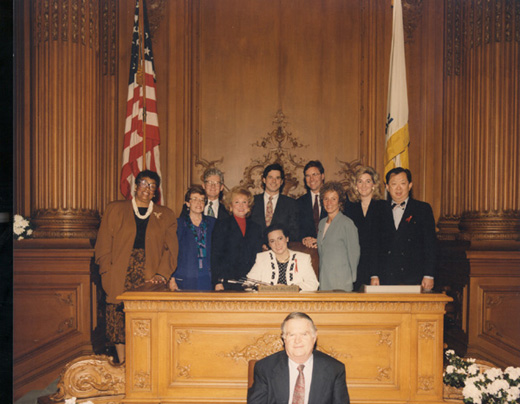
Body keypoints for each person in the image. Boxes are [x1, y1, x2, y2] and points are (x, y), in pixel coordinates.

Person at [95, 170, 177, 363]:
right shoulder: (115, 209)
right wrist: (107, 272)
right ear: (136, 185)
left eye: (152, 186)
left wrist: (161, 274)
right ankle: (123, 364)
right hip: (119, 272)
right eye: (143, 183)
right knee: (118, 319)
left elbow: (171, 249)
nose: (147, 189)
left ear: (156, 191)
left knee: (146, 319)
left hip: (150, 275)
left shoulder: (165, 215)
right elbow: (103, 245)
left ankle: (143, 364)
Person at [248, 312, 350, 404]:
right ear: (284, 339)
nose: (297, 341)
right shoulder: (265, 368)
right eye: (292, 335)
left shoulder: (334, 369)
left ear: (314, 337)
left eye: (304, 334)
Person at [372, 167, 436, 290]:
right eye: (394, 184)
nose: (398, 188)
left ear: (410, 185)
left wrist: (429, 275)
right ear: (387, 187)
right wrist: (374, 274)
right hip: (385, 278)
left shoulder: (422, 209)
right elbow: (374, 245)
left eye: (403, 183)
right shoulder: (379, 210)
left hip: (414, 277)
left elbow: (430, 245)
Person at [211, 186, 263, 290]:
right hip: (227, 281)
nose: (241, 206)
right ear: (230, 206)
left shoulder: (256, 228)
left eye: (244, 202)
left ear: (249, 206)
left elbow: (257, 257)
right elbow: (215, 256)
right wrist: (217, 281)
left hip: (250, 281)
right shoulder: (221, 225)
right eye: (236, 202)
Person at [344, 166, 386, 290]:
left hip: (377, 268)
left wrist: (375, 273)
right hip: (355, 267)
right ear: (355, 186)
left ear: (374, 184)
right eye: (360, 181)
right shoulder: (350, 208)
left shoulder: (383, 207)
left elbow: (383, 243)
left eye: (368, 181)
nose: (364, 185)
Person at [170, 185, 216, 291]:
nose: (198, 203)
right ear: (187, 203)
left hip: (207, 277)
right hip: (185, 276)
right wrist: (172, 277)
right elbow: (172, 253)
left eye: (201, 200)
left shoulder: (213, 223)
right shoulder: (179, 224)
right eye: (194, 199)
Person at [246, 224, 319, 291]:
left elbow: (313, 284)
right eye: (272, 241)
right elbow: (248, 284)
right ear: (269, 244)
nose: (277, 244)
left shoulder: (303, 258)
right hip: (268, 302)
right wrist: (268, 289)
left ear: (287, 239)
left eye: (280, 238)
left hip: (295, 302)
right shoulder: (262, 258)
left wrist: (289, 289)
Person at [317, 182, 360, 292]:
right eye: (326, 199)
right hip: (324, 279)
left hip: (341, 281)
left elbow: (354, 253)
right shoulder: (321, 223)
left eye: (333, 199)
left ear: (340, 201)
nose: (329, 202)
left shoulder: (347, 223)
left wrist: (351, 279)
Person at [250, 163, 299, 243]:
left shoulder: (291, 204)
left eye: (277, 178)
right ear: (264, 180)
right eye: (270, 177)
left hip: (280, 250)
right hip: (255, 249)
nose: (274, 181)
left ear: (282, 181)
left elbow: (294, 232)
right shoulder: (252, 201)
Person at [297, 160, 327, 249]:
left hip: (330, 249)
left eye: (315, 174)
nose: (311, 179)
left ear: (322, 176)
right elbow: (295, 229)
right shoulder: (299, 203)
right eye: (308, 176)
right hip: (307, 250)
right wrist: (304, 239)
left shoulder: (334, 200)